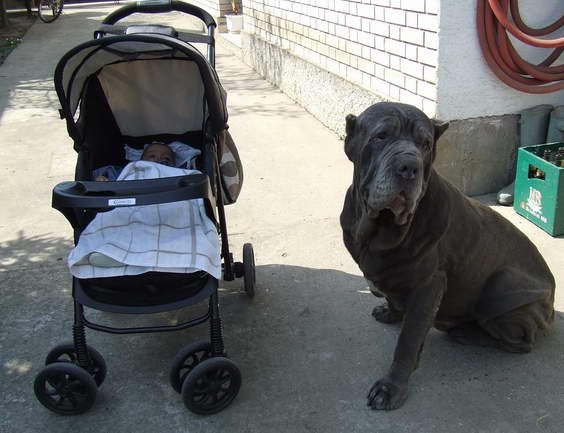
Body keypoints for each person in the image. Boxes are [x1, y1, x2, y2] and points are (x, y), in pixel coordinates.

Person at [94, 142, 175, 181]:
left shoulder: (175, 173)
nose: (159, 160)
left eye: (166, 158)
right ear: (141, 160)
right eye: (152, 156)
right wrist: (104, 180)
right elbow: (110, 173)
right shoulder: (130, 169)